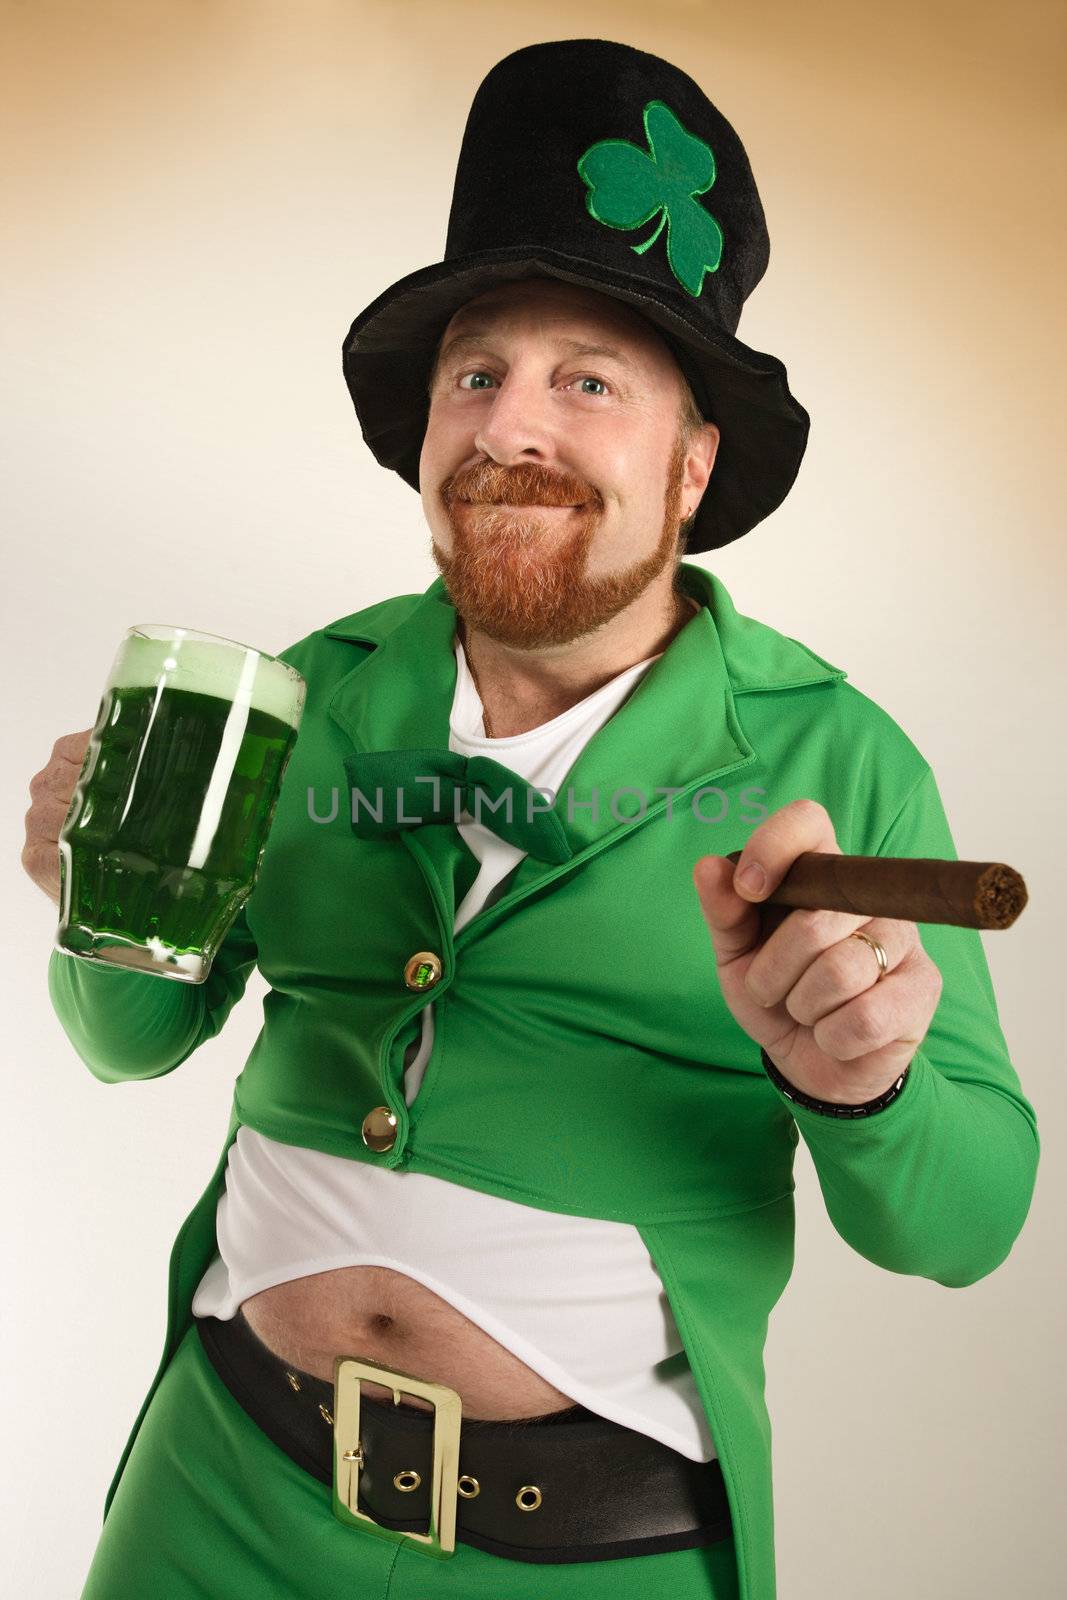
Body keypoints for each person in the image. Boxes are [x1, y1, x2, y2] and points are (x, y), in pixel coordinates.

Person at [26, 39, 1039, 1600]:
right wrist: (106, 896)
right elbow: (128, 1041)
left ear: (693, 464)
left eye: (589, 382)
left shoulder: (835, 758)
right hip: (213, 1502)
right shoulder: (305, 694)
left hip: (585, 1563)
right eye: (476, 374)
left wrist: (865, 1089)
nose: (514, 429)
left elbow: (966, 1222)